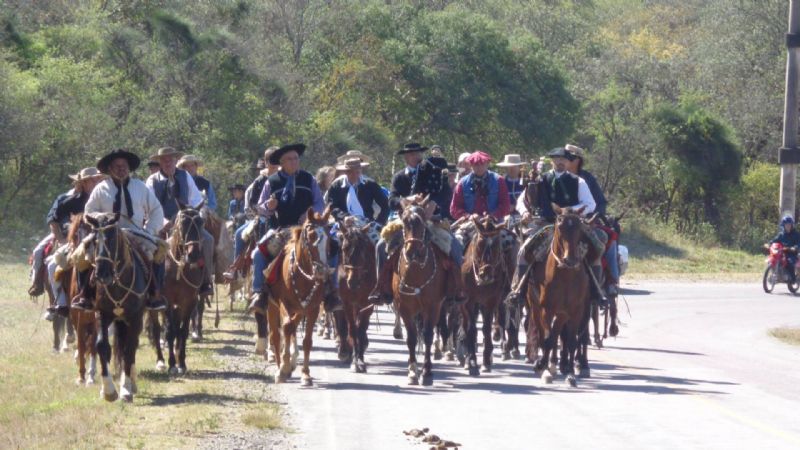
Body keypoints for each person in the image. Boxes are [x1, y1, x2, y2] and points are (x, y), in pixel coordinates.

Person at [73, 149, 166, 311]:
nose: (121, 169)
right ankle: (85, 295)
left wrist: (150, 230)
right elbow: (89, 211)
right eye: (117, 166)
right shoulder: (101, 188)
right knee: (81, 255)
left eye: (124, 166)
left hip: (134, 232)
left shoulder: (141, 187)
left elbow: (156, 209)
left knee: (160, 250)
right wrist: (104, 219)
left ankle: (154, 293)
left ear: (129, 168)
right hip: (106, 233)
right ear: (110, 169)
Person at [369, 143, 461, 305]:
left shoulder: (434, 171)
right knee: (381, 246)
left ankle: (456, 289)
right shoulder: (399, 177)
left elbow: (446, 191)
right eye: (410, 154)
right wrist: (406, 201)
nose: (415, 157)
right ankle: (382, 288)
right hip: (406, 221)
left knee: (455, 246)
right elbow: (391, 200)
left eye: (417, 153)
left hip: (431, 220)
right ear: (406, 157)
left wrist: (433, 202)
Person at [505, 146, 599, 306]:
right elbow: (522, 200)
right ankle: (518, 292)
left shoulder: (578, 181)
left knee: (596, 247)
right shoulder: (540, 179)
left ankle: (597, 292)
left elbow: (591, 204)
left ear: (568, 162)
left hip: (572, 224)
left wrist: (569, 211)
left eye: (563, 159)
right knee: (523, 251)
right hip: (545, 223)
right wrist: (524, 212)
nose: (560, 162)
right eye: (557, 159)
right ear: (552, 161)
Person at [248, 143, 326, 314]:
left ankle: (331, 291)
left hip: (307, 229)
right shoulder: (272, 181)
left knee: (331, 246)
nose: (293, 162)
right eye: (289, 159)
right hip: (281, 230)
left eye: (296, 158)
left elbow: (320, 202)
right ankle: (259, 292)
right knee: (259, 253)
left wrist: (310, 213)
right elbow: (261, 208)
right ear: (281, 163)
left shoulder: (309, 179)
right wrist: (269, 205)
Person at [30, 168, 106, 316]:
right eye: (93, 180)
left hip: (100, 240)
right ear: (83, 183)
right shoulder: (67, 200)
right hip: (72, 239)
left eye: (98, 179)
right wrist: (62, 239)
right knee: (50, 264)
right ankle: (60, 302)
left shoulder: (105, 199)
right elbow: (53, 220)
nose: (96, 182)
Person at [146, 147, 214, 296]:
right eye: (164, 159)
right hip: (161, 223)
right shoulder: (152, 180)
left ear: (176, 160)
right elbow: (150, 206)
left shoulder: (185, 176)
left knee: (208, 240)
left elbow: (196, 199)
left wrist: (197, 214)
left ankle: (206, 281)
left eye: (170, 159)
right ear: (160, 162)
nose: (168, 162)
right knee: (147, 246)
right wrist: (163, 222)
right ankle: (151, 286)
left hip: (186, 222)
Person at [564, 143, 618, 294]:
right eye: (564, 156)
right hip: (559, 221)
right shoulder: (553, 176)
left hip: (585, 220)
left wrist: (593, 217)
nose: (566, 160)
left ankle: (611, 281)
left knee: (609, 240)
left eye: (570, 157)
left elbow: (600, 203)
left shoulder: (587, 179)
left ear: (578, 160)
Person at [224, 147, 280, 282]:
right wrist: (262, 211)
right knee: (239, 234)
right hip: (260, 217)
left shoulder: (286, 177)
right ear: (266, 162)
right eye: (270, 160)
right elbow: (252, 203)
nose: (274, 163)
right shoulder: (260, 181)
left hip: (283, 219)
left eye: (276, 160)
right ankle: (235, 269)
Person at [450, 151, 510, 222]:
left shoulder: (499, 181)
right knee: (457, 234)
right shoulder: (462, 183)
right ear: (471, 165)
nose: (479, 167)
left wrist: (493, 216)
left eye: (482, 164)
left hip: (495, 223)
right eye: (476, 164)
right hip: (469, 224)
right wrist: (468, 216)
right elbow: (454, 208)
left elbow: (505, 205)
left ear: (487, 164)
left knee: (505, 233)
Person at [326, 158, 389, 225]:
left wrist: (378, 223)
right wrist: (343, 217)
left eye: (357, 172)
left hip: (367, 224)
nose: (354, 175)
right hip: (344, 225)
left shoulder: (370, 184)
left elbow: (386, 205)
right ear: (345, 172)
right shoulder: (336, 186)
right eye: (350, 172)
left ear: (361, 171)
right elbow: (332, 206)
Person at [770, 215, 800, 283]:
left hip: (792, 253)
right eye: (786, 225)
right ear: (783, 225)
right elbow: (775, 240)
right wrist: (769, 244)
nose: (788, 226)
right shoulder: (781, 234)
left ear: (792, 225)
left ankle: (793, 278)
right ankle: (775, 275)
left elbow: (799, 243)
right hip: (781, 252)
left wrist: (795, 247)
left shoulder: (796, 234)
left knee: (790, 262)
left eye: (789, 224)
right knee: (772, 260)